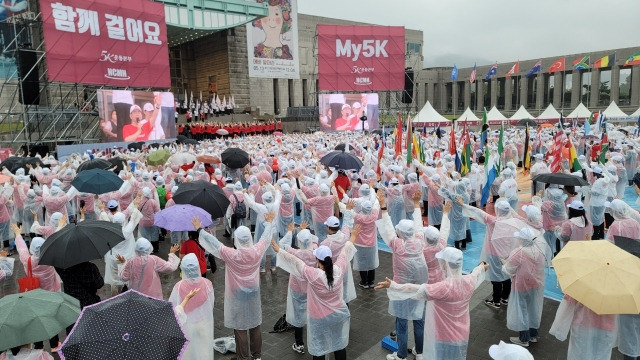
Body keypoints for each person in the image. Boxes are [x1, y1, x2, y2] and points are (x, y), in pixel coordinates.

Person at [375, 248, 488, 360]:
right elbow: (476, 273)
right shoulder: (469, 281)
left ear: (445, 265)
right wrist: (482, 267)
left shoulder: (444, 288)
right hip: (461, 334)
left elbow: (414, 289)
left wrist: (393, 286)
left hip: (442, 336)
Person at [194, 212, 275, 360]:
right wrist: (269, 222)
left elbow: (215, 243)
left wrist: (200, 230)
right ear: (249, 238)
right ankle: (257, 356)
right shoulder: (256, 251)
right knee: (255, 323)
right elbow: (265, 238)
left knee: (240, 326)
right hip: (253, 291)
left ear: (236, 239)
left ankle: (242, 357)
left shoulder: (231, 254)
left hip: (237, 294)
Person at [272, 224, 359, 360]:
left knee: (319, 348)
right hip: (338, 314)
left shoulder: (313, 275)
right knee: (339, 345)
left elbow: (296, 262)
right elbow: (346, 250)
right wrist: (353, 235)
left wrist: (279, 251)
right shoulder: (339, 269)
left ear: (317, 261)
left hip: (318, 318)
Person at [376, 191, 427, 360]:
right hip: (419, 288)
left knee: (402, 322)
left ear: (400, 233)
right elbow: (419, 225)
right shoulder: (420, 241)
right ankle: (420, 352)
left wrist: (383, 206)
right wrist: (417, 204)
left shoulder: (398, 246)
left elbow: (388, 228)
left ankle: (401, 355)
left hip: (401, 289)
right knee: (419, 320)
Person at [502, 228, 552, 347]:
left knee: (522, 311)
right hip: (536, 284)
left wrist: (504, 263)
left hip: (521, 285)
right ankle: (533, 335)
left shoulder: (518, 252)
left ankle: (524, 339)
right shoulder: (539, 250)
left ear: (522, 239)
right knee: (533, 309)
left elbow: (509, 269)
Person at [277, 221, 318, 355]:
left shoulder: (295, 253)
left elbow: (282, 245)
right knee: (312, 312)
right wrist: (305, 232)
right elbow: (316, 240)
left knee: (298, 314)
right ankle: (314, 339)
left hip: (296, 287)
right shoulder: (316, 252)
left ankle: (299, 343)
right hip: (311, 287)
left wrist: (291, 232)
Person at [169, 254, 214, 360]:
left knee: (187, 353)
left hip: (186, 325)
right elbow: (210, 303)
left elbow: (173, 309)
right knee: (204, 350)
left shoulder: (178, 287)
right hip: (204, 323)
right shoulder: (207, 284)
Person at [549, 294, 616, 360]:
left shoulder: (583, 285)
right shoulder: (618, 287)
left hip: (583, 325)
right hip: (606, 328)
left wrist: (560, 327)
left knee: (579, 355)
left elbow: (570, 300)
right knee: (601, 356)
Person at [137, 187, 161, 253]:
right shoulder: (153, 202)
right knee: (154, 235)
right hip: (153, 221)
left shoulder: (139, 201)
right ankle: (155, 249)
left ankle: (146, 249)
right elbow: (158, 211)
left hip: (143, 222)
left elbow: (136, 210)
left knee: (145, 236)